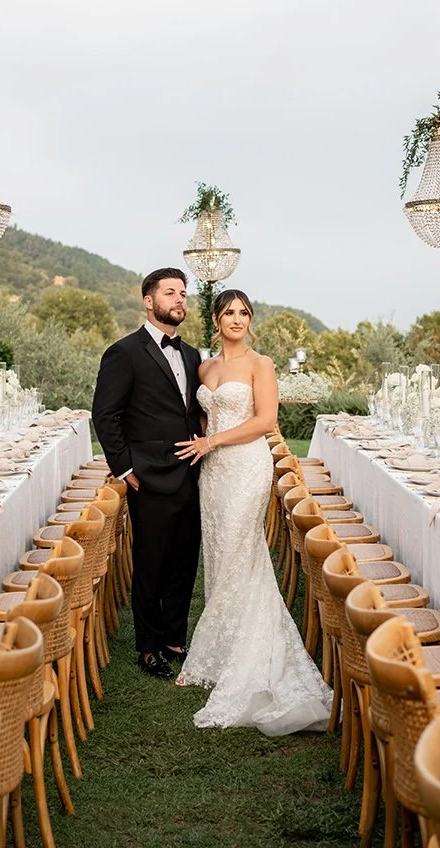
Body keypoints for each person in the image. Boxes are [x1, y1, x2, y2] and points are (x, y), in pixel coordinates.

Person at [172, 288, 331, 734]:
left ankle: (234, 655)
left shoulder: (261, 365)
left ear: (250, 320)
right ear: (217, 320)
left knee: (243, 550)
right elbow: (202, 418)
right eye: (229, 313)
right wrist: (204, 441)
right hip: (214, 473)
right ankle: (226, 649)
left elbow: (265, 421)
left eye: (244, 313)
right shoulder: (205, 367)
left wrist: (213, 441)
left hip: (246, 467)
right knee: (220, 556)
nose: (237, 319)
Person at [91, 268, 204, 680]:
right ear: (148, 300)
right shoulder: (124, 352)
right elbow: (105, 415)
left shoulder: (192, 355)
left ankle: (175, 638)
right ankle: (148, 646)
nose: (180, 300)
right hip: (149, 475)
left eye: (183, 294)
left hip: (191, 472)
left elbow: (192, 411)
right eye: (171, 293)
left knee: (183, 560)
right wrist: (123, 467)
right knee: (151, 564)